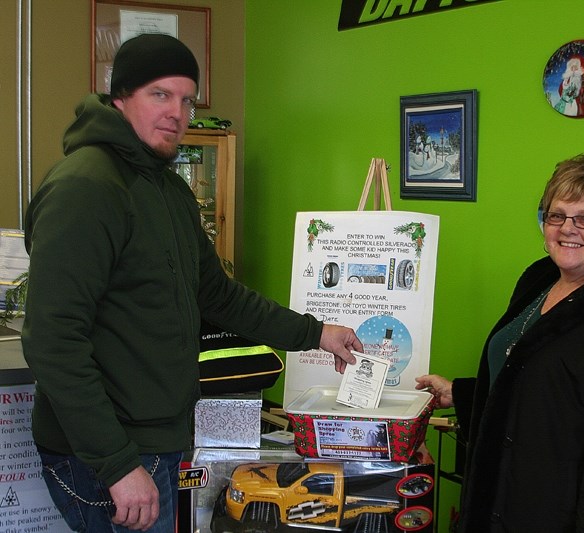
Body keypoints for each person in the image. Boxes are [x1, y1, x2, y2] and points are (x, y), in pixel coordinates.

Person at [22, 34, 360, 532]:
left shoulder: (167, 188)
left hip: (158, 440)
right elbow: (53, 341)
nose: (177, 112)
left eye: (187, 99)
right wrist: (116, 463)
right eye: (160, 94)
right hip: (109, 455)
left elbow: (218, 295)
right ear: (120, 98)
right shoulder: (87, 188)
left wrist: (315, 333)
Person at [416, 154, 584, 532]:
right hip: (500, 501)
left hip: (555, 515)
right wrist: (461, 393)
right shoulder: (539, 281)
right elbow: (542, 386)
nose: (567, 229)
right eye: (556, 214)